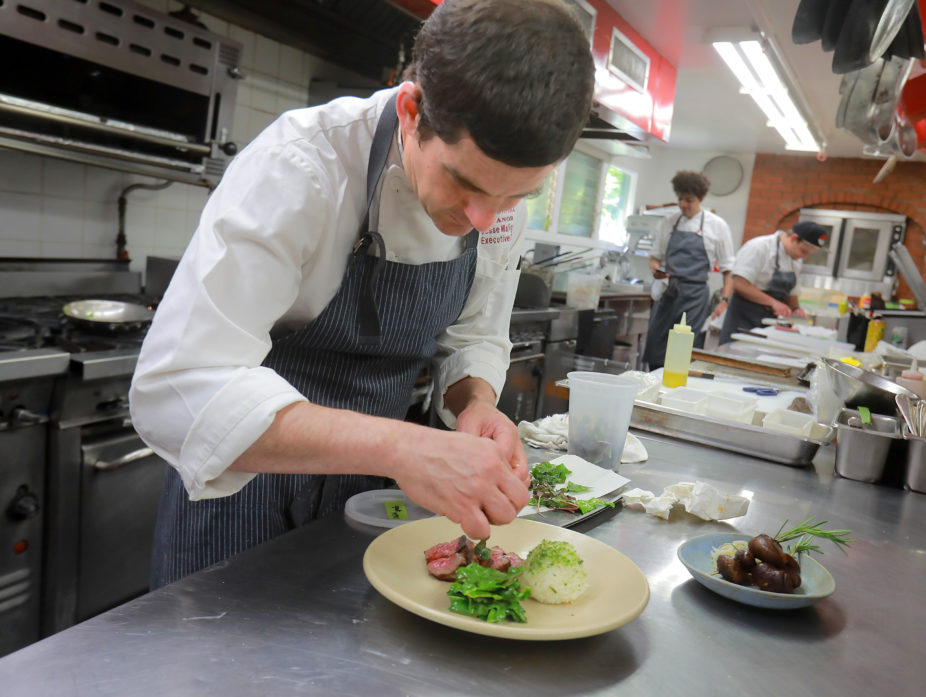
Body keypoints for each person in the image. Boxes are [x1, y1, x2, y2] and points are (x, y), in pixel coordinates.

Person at [129, 0, 596, 587]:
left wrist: (475, 403)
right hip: (243, 484)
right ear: (410, 111)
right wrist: (403, 449)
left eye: (517, 195)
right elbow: (180, 387)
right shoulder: (300, 166)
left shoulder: (497, 208)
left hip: (375, 494)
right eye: (463, 182)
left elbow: (475, 334)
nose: (485, 218)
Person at [642, 171, 735, 367]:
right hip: (668, 292)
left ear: (701, 199)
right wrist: (656, 270)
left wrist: (724, 301)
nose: (684, 204)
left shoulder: (716, 226)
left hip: (695, 295)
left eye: (689, 200)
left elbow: (728, 271)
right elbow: (654, 257)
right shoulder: (669, 223)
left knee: (684, 351)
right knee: (657, 346)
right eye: (680, 199)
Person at [719, 221, 827, 344]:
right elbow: (739, 284)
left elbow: (792, 292)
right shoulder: (759, 247)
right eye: (803, 251)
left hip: (771, 324)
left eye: (808, 254)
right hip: (744, 318)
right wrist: (773, 303)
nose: (804, 257)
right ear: (793, 238)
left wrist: (796, 308)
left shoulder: (795, 260)